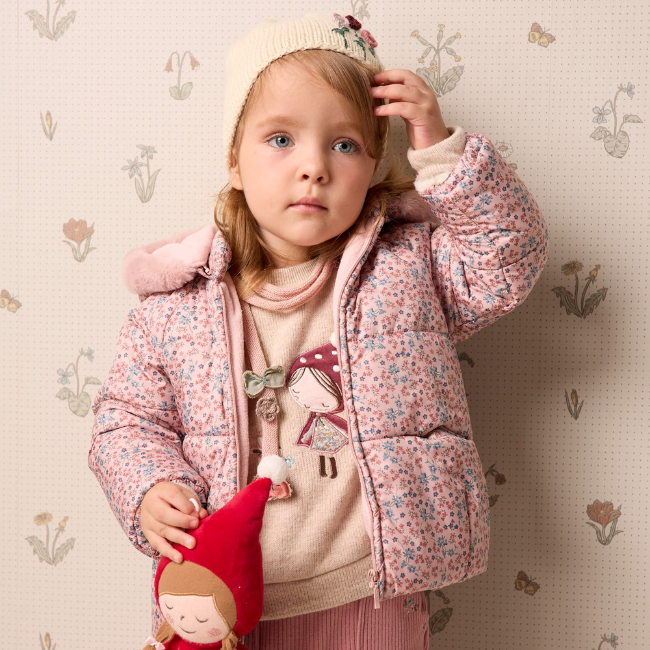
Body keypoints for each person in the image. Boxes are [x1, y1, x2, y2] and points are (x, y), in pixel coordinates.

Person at [88, 11, 549, 650]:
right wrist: (149, 487)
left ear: (375, 165)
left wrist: (441, 152)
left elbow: (506, 260)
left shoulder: (406, 267)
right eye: (281, 138)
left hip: (370, 593)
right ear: (235, 162)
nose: (314, 167)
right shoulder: (175, 307)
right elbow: (125, 421)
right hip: (225, 603)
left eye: (345, 145)